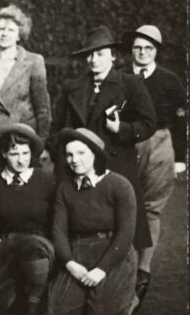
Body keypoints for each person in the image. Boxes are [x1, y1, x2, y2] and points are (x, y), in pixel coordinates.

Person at [49, 26, 155, 278]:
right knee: (74, 219)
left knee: (122, 223)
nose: (93, 60)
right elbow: (56, 127)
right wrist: (61, 156)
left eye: (100, 54)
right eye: (89, 55)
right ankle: (72, 270)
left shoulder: (130, 84)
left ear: (113, 56)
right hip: (76, 166)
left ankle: (128, 276)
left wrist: (122, 128)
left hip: (116, 164)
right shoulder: (73, 86)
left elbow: (149, 124)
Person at [45, 128, 138, 315]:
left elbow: (126, 233)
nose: (74, 160)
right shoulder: (64, 188)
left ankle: (130, 296)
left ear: (95, 154)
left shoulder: (119, 185)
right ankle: (92, 295)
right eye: (69, 154)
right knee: (55, 313)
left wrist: (101, 270)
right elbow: (59, 231)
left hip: (113, 250)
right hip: (79, 248)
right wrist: (70, 264)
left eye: (81, 153)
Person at [124, 24, 185, 304]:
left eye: (149, 48)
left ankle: (143, 270)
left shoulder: (170, 81)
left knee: (151, 208)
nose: (143, 52)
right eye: (138, 47)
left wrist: (182, 159)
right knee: (124, 201)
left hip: (160, 142)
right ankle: (120, 265)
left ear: (156, 51)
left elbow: (181, 120)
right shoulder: (121, 77)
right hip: (126, 141)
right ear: (132, 50)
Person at [0, 124, 56, 315]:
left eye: (25, 153)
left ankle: (35, 298)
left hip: (39, 242)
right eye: (14, 153)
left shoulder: (46, 181)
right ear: (3, 153)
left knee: (33, 247)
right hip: (7, 243)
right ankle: (18, 291)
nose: (21, 160)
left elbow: (56, 217)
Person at [0, 5, 52, 139]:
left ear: (19, 35)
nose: (4, 34)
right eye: (1, 29)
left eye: (11, 30)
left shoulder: (34, 61)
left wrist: (42, 142)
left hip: (22, 140)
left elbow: (42, 110)